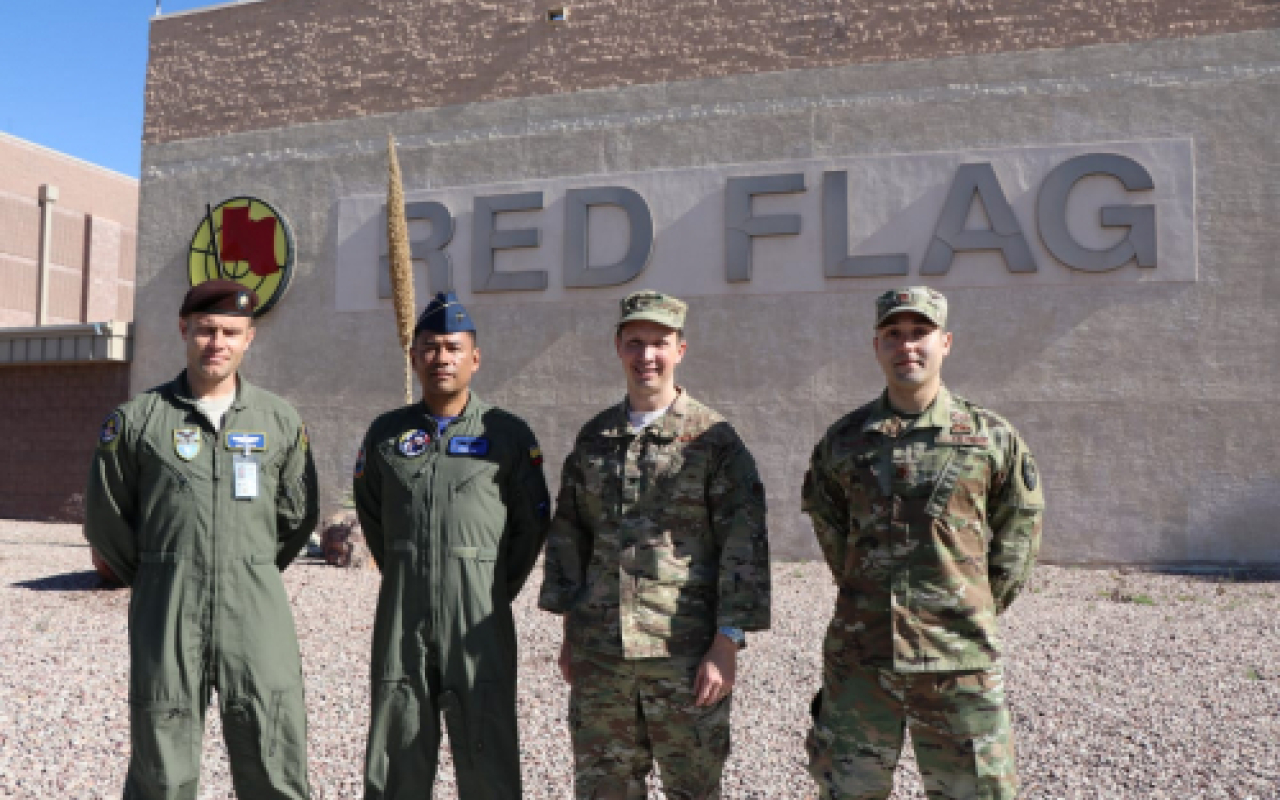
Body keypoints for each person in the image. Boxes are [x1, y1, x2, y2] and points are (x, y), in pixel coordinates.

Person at [802, 286, 1045, 800]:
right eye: (894, 334)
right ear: (877, 347)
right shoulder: (843, 443)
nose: (907, 345)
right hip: (862, 657)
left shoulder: (990, 437)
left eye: (920, 333)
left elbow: (1017, 536)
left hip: (958, 661)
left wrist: (966, 606)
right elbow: (831, 531)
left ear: (946, 342)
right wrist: (870, 595)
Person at [84, 279, 319, 800]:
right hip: (167, 604)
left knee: (272, 746)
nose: (218, 342)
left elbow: (296, 516)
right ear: (183, 329)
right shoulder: (137, 421)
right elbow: (106, 520)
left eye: (230, 332)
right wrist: (157, 571)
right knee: (161, 763)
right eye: (206, 330)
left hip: (255, 607)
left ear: (249, 338)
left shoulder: (279, 421)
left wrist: (251, 565)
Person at [539, 290, 772, 800]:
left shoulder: (714, 441)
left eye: (659, 343)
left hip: (683, 655)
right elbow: (569, 535)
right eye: (635, 343)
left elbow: (744, 544)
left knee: (692, 789)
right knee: (604, 790)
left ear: (680, 349)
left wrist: (727, 643)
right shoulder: (594, 437)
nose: (647, 356)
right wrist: (569, 633)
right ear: (618, 348)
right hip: (602, 656)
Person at [354, 291, 552, 800]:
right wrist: (409, 569)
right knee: (397, 749)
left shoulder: (506, 434)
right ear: (415, 356)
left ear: (475, 358)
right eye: (430, 347)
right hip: (404, 612)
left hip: (478, 617)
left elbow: (530, 528)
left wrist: (484, 582)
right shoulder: (386, 434)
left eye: (452, 347)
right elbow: (373, 516)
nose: (441, 357)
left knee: (487, 748)